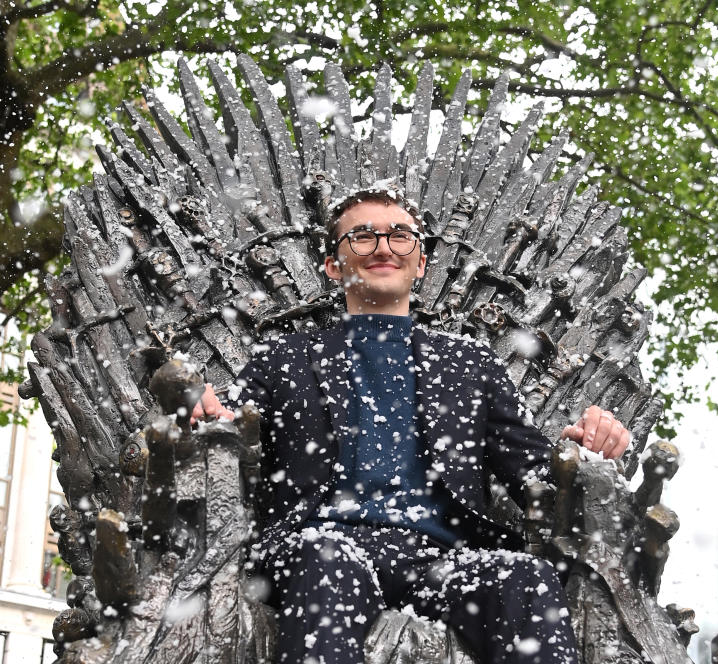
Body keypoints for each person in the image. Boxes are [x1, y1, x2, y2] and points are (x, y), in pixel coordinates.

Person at [191, 189, 631, 664]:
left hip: (442, 558)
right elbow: (227, 424)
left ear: (420, 263)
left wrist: (584, 445)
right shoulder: (285, 358)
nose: (383, 248)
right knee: (328, 561)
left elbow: (537, 480)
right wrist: (203, 412)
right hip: (318, 544)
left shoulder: (470, 364)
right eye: (361, 236)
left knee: (526, 578)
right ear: (333, 266)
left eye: (400, 236)